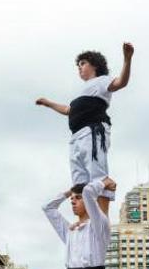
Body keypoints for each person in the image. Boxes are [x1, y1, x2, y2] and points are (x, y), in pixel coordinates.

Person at [35, 43, 134, 215]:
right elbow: (68, 110)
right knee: (79, 182)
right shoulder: (79, 91)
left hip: (92, 131)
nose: (79, 68)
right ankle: (84, 221)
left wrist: (127, 59)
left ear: (94, 65)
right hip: (76, 137)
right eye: (78, 65)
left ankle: (102, 219)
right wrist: (48, 103)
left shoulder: (102, 81)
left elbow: (121, 82)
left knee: (99, 178)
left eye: (82, 63)